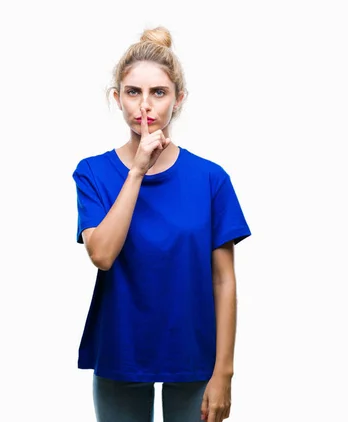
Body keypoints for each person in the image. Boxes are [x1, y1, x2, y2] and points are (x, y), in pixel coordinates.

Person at [72, 26, 251, 422]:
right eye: (133, 92)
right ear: (117, 99)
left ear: (178, 99)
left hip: (193, 354)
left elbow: (224, 280)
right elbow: (101, 254)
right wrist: (136, 171)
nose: (145, 106)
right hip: (121, 350)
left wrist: (225, 371)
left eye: (159, 92)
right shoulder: (93, 173)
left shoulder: (210, 179)